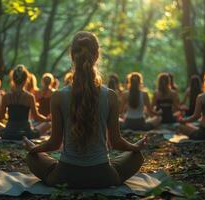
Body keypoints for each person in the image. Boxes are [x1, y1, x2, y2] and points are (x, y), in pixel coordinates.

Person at [23, 31, 147, 188]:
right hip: (103, 176)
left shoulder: (59, 96)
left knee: (31, 157)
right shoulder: (110, 96)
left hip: (64, 176)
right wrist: (134, 147)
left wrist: (34, 148)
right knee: (137, 157)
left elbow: (54, 143)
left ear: (72, 56)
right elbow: (115, 142)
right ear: (96, 56)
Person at [0, 65, 49, 140]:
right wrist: (47, 119)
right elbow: (36, 116)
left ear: (13, 79)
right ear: (26, 80)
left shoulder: (6, 96)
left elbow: (1, 116)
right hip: (26, 134)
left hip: (9, 133)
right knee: (48, 124)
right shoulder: (30, 97)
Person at [179, 70, 205, 140]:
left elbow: (196, 116)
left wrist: (184, 120)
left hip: (204, 134)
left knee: (181, 126)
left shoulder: (201, 97)